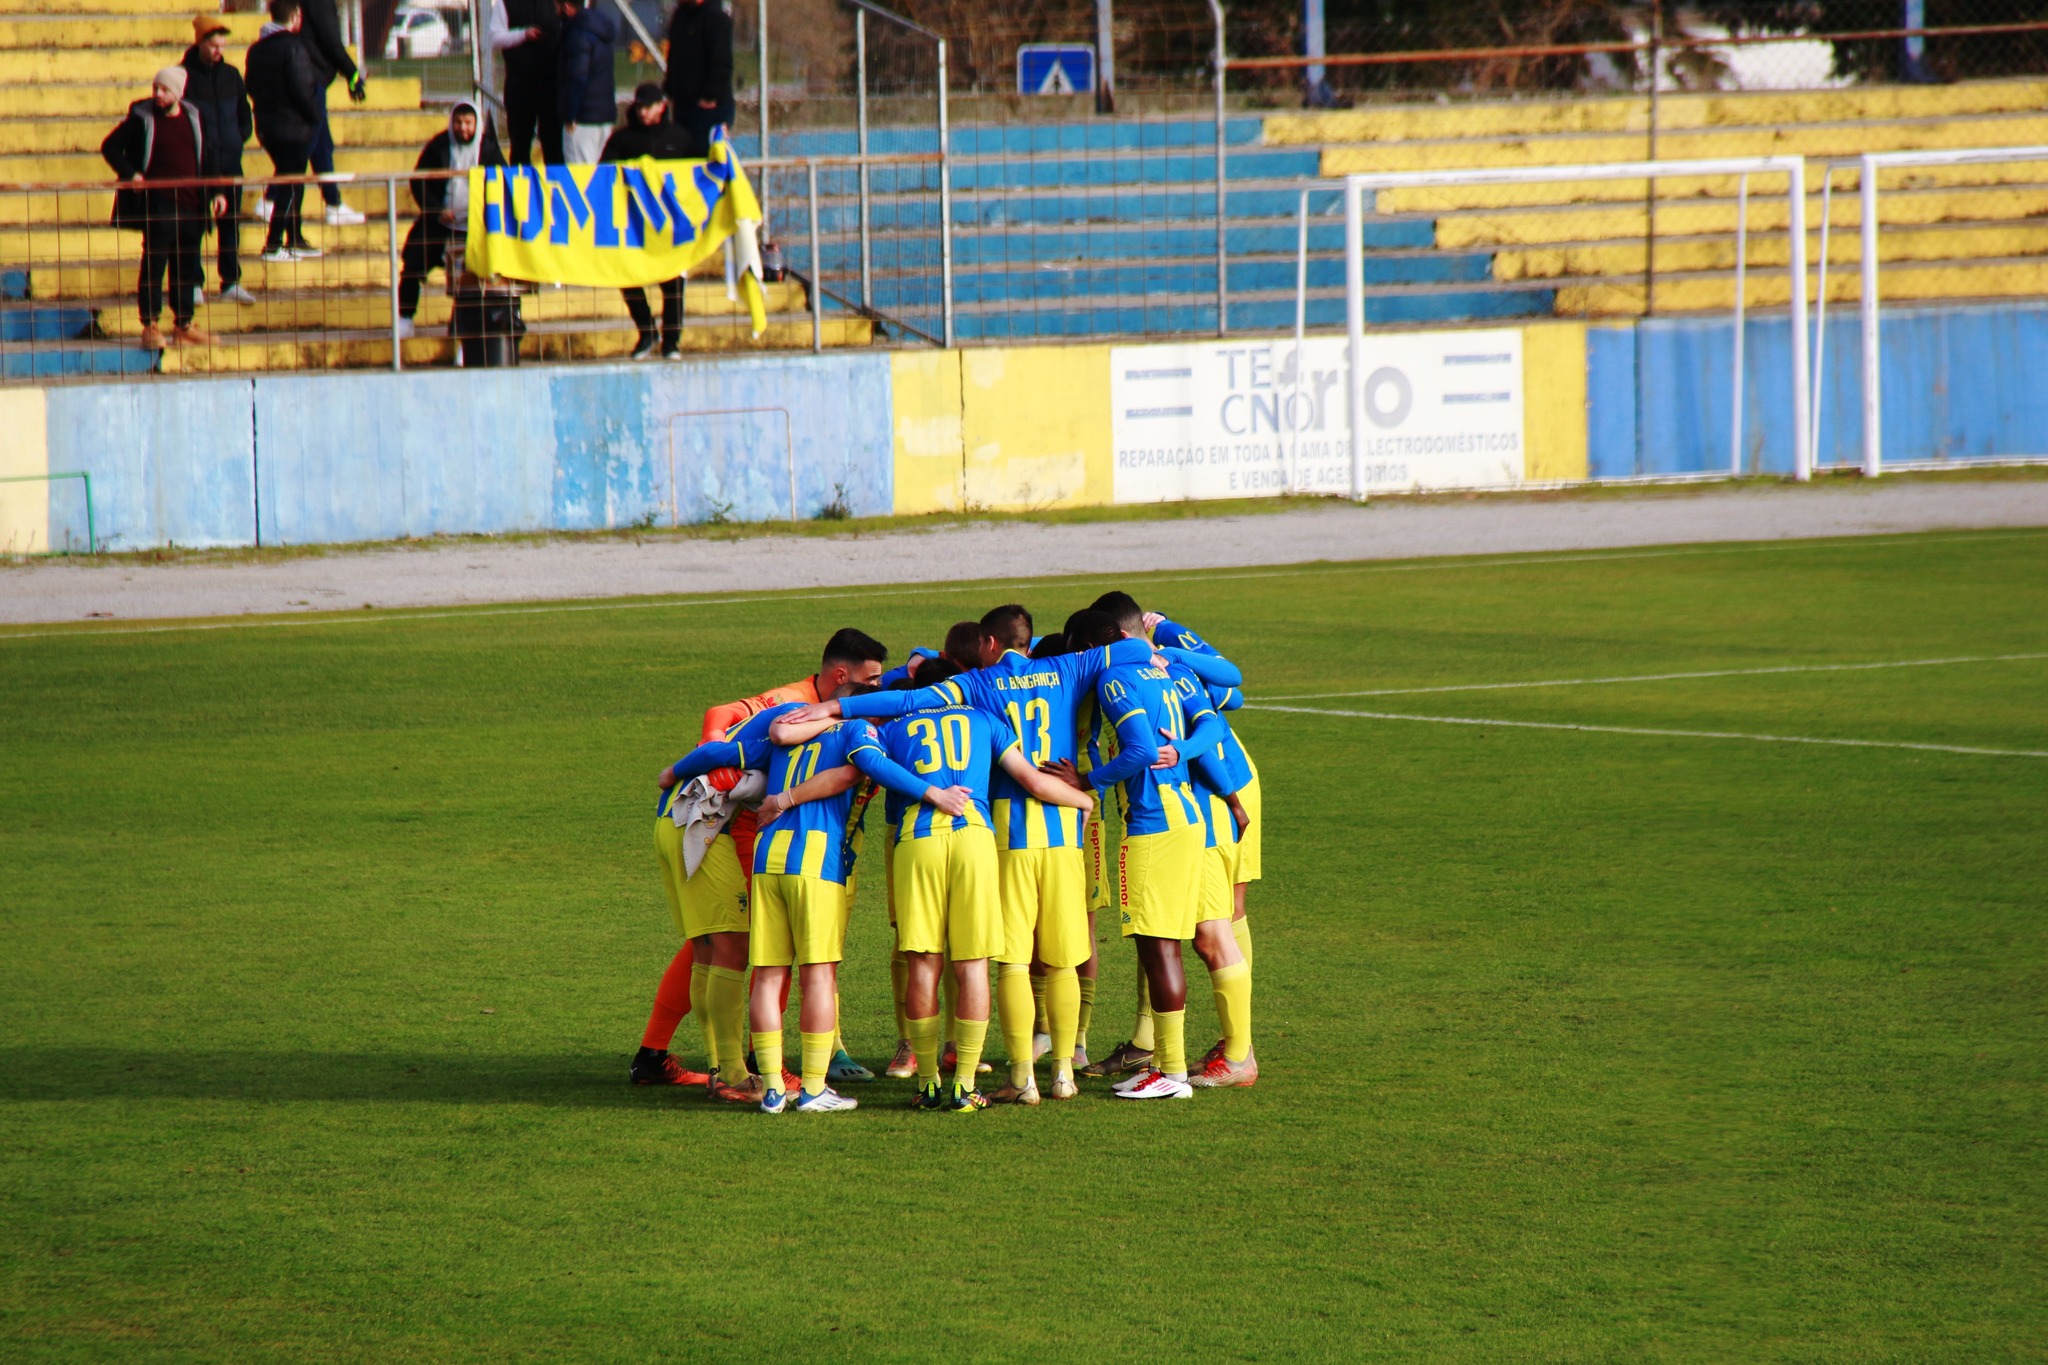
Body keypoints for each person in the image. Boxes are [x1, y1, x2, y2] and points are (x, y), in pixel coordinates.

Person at [784, 606, 1164, 1103]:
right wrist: (1159, 644)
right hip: (1062, 832)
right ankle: (1065, 1075)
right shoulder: (1070, 668)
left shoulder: (979, 686)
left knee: (1006, 963)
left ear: (987, 644)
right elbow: (1136, 648)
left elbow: (912, 699)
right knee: (1064, 962)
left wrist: (836, 708)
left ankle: (1020, 1078)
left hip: (1003, 837)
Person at [625, 629, 888, 1093]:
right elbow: (722, 722)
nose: (877, 692)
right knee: (735, 949)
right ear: (844, 680)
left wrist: (681, 771)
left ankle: (718, 1067)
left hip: (688, 817)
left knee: (710, 948)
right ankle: (733, 1072)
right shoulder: (792, 707)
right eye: (872, 683)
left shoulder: (811, 717)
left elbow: (725, 749)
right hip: (706, 823)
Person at [853, 662, 1097, 1113]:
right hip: (975, 836)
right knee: (974, 966)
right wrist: (1083, 796)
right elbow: (1031, 779)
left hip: (918, 841)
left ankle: (927, 1083)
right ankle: (965, 1085)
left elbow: (865, 765)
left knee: (923, 963)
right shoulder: (984, 719)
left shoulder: (890, 728)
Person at [1049, 610, 1235, 1101]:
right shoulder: (1169, 671)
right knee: (1165, 945)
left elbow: (1138, 751)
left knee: (1159, 948)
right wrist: (1187, 751)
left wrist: (1087, 780)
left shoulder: (1113, 678)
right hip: (1190, 816)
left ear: (1093, 646)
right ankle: (1166, 1069)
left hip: (1155, 822)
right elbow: (1213, 725)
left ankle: (1170, 1073)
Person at [744, 711, 964, 1114]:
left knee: (768, 974)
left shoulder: (790, 733)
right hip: (814, 861)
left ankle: (772, 1090)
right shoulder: (856, 731)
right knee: (818, 975)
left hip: (766, 856)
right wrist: (933, 793)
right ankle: (812, 1088)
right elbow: (852, 773)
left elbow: (739, 753)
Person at [1148, 609, 1261, 1087]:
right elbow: (1230, 696)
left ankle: (1239, 1052)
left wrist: (1231, 800)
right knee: (1214, 921)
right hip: (1221, 790)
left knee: (1211, 926)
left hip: (1219, 793)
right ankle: (1236, 1042)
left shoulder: (1162, 655)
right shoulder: (1154, 669)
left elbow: (1231, 685)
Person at [103, 66, 225, 350]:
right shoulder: (141, 116)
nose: (158, 94)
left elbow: (209, 156)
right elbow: (110, 146)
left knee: (187, 268)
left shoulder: (195, 117)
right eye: (156, 88)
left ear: (178, 93)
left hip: (193, 206)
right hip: (159, 205)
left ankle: (183, 325)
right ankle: (151, 325)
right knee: (154, 266)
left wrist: (217, 191)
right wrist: (131, 174)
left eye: (165, 90)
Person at [394, 102, 504, 340]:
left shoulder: (488, 149)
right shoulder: (439, 145)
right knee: (412, 264)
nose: (463, 128)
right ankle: (405, 318)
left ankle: (463, 336)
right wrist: (436, 209)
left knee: (469, 281)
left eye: (468, 123)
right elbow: (419, 181)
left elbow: (503, 183)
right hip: (438, 224)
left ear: (476, 124)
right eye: (458, 122)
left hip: (474, 228)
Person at [600, 84, 692, 360]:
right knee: (627, 276)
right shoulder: (622, 139)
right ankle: (646, 331)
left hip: (669, 228)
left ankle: (672, 343)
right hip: (633, 226)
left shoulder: (680, 138)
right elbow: (603, 173)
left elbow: (696, 177)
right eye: (639, 107)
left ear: (661, 106)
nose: (643, 112)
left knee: (673, 283)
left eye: (648, 107)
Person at [180, 14, 255, 307]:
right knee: (196, 224)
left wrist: (238, 137)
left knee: (230, 222)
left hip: (229, 162)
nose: (218, 51)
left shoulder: (232, 75)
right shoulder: (183, 75)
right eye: (213, 45)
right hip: (198, 166)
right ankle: (194, 282)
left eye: (222, 46)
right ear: (200, 43)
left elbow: (244, 115)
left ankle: (231, 281)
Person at [245, 0, 324, 262]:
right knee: (291, 182)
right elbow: (303, 89)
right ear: (296, 16)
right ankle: (274, 243)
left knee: (289, 178)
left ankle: (295, 237)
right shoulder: (294, 47)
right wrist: (314, 117)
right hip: (293, 127)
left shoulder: (256, 49)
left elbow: (251, 86)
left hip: (266, 125)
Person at [294, 0, 367, 224]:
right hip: (311, 78)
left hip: (314, 77)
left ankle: (333, 203)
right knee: (307, 143)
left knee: (322, 146)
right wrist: (352, 72)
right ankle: (272, 198)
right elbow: (331, 42)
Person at [488, 0, 562, 165]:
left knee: (554, 146)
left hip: (552, 84)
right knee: (520, 144)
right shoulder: (506, 3)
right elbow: (494, 39)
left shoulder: (557, 3)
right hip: (519, 84)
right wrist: (523, 35)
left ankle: (554, 188)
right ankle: (520, 188)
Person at [663, 0, 734, 157]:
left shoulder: (715, 18)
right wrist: (669, 89)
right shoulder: (680, 16)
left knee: (706, 157)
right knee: (683, 156)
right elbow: (674, 58)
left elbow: (721, 62)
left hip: (708, 108)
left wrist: (711, 96)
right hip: (683, 105)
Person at [556, 0, 618, 166]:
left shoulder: (577, 34)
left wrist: (570, 114)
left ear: (566, 6)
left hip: (583, 118)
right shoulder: (600, 30)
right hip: (604, 114)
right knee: (600, 173)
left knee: (580, 174)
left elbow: (577, 77)